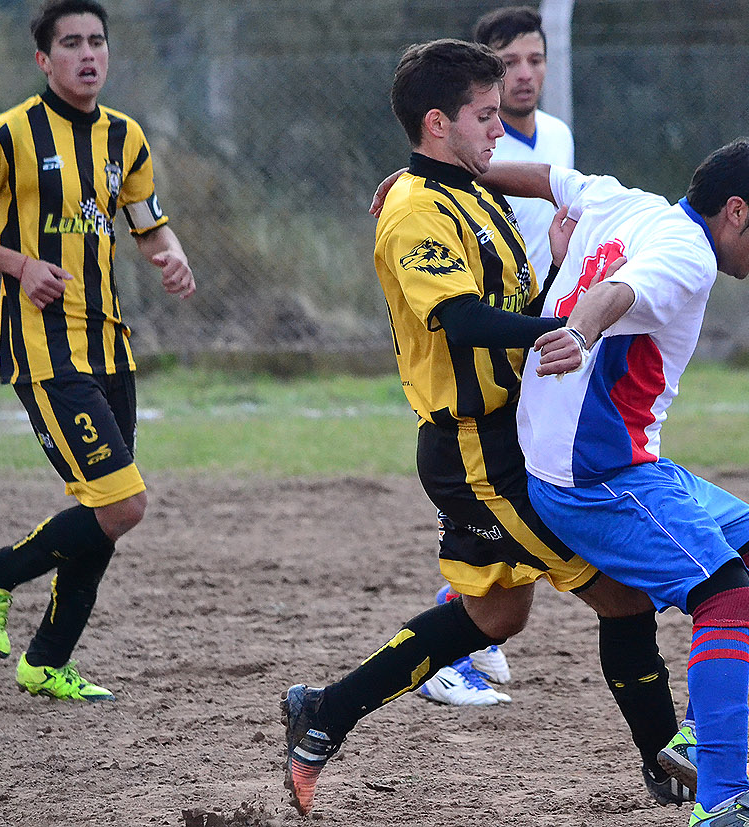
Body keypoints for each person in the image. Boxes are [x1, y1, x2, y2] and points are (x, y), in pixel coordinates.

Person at [280, 38, 698, 816]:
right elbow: (463, 320)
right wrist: (564, 326)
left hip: (507, 435)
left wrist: (557, 277)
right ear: (436, 123)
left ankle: (323, 711)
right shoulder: (412, 209)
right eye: (482, 115)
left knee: (497, 613)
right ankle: (667, 765)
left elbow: (509, 300)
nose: (497, 129)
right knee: (624, 594)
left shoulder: (473, 193)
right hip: (476, 448)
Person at [481, 139, 749, 825]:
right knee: (726, 595)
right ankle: (721, 800)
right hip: (596, 478)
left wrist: (450, 168)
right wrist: (581, 332)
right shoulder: (686, 256)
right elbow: (614, 292)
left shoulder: (625, 202)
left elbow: (545, 178)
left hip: (604, 460)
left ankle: (695, 739)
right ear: (734, 210)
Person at [0, 0, 195, 702]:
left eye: (98, 41)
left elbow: (149, 226)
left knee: (102, 511)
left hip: (110, 345)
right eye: (71, 42)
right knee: (123, 502)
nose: (88, 53)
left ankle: (46, 662)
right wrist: (19, 265)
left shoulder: (125, 137)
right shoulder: (7, 135)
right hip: (44, 350)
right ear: (44, 60)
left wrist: (171, 257)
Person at [417, 2, 577, 708]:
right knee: (510, 508)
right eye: (508, 62)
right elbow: (435, 194)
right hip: (509, 344)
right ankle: (458, 644)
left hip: (541, 330)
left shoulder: (559, 136)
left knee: (517, 506)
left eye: (535, 60)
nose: (524, 75)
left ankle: (473, 636)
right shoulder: (470, 147)